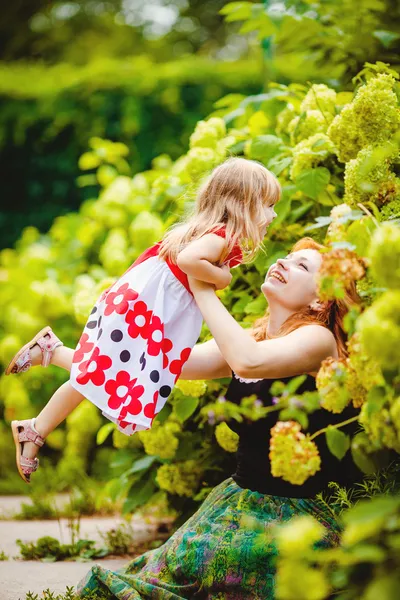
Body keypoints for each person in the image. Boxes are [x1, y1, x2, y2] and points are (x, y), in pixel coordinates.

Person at [14, 236, 362, 598]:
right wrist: (59, 353)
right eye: (288, 256)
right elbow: (161, 366)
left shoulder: (318, 341)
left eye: (302, 266)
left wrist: (202, 286)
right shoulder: (252, 337)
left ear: (321, 298)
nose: (284, 262)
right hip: (236, 502)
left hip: (293, 515)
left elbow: (250, 361)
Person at [7, 157, 280, 483]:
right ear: (243, 204)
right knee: (106, 374)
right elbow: (189, 259)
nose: (273, 215)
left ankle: (36, 417)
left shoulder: (209, 232)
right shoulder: (219, 236)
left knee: (104, 373)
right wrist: (222, 278)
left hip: (144, 306)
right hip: (148, 311)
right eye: (267, 205)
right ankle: (40, 398)